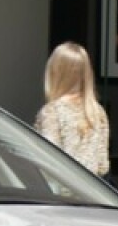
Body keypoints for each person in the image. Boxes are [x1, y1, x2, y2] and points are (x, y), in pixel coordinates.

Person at [35, 42, 110, 176]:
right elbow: (103, 165)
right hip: (92, 191)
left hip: (62, 194)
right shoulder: (97, 112)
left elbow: (47, 163)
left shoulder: (52, 112)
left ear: (54, 72)